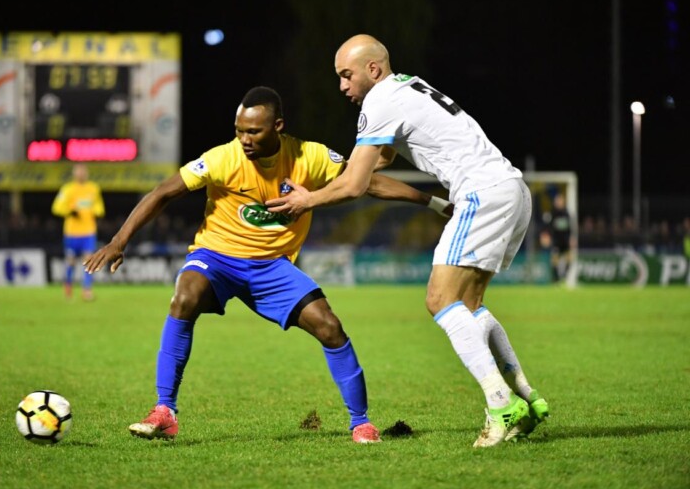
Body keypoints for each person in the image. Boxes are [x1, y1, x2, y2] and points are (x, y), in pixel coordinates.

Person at [83, 86, 445, 443]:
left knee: (329, 326)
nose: (244, 139)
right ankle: (164, 411)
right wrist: (119, 241)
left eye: (253, 131)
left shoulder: (311, 157)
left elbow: (367, 183)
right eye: (239, 130)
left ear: (278, 126)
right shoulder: (223, 158)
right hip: (217, 257)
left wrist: (435, 204)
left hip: (272, 266)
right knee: (184, 298)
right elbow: (163, 192)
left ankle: (361, 423)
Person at [266, 35, 549, 447]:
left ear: (373, 70)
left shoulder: (378, 102)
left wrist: (308, 200)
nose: (343, 86)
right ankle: (526, 396)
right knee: (469, 306)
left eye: (347, 75)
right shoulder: (406, 88)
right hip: (510, 190)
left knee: (440, 300)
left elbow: (356, 183)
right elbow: (371, 170)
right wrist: (432, 202)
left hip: (481, 193)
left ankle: (501, 403)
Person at [52, 163, 105, 301]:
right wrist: (69, 212)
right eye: (78, 171)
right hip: (71, 233)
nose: (81, 173)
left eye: (83, 171)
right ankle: (68, 286)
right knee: (70, 262)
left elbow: (99, 207)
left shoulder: (93, 188)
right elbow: (57, 207)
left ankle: (86, 290)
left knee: (88, 261)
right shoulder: (68, 189)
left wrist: (97, 211)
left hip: (88, 232)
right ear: (74, 173)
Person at [547, 192, 574, 282]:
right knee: (555, 259)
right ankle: (556, 279)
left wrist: (571, 238)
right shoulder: (553, 213)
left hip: (565, 241)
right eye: (557, 201)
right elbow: (549, 227)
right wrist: (548, 236)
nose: (558, 202)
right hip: (556, 241)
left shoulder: (566, 213)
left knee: (569, 258)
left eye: (560, 200)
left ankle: (564, 275)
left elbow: (570, 228)